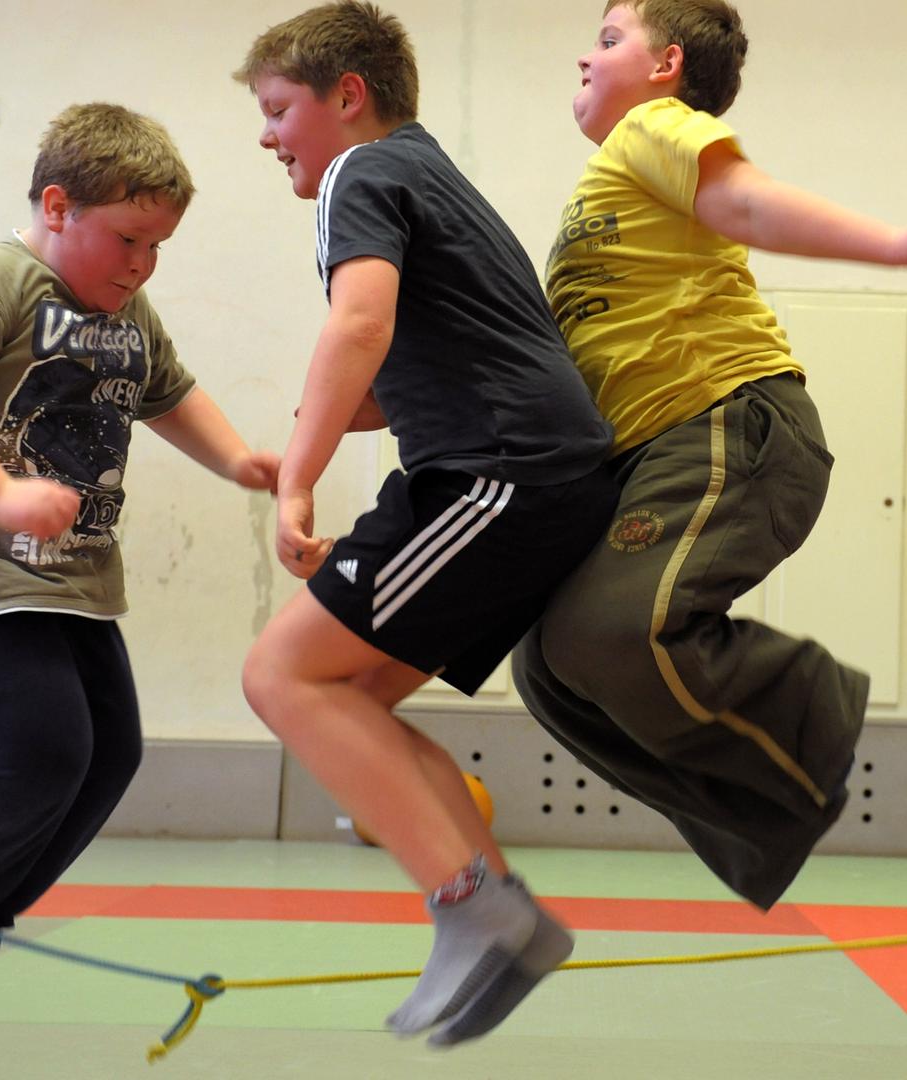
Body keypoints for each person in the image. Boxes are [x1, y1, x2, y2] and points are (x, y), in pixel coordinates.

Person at [510, 0, 907, 911]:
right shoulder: (608, 181)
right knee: (551, 665)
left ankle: (815, 711)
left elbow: (747, 202)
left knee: (613, 630)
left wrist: (894, 245)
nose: (584, 56)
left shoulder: (656, 127)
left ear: (666, 65)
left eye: (608, 40)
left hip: (732, 420)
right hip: (652, 452)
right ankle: (774, 811)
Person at [232, 2, 619, 1047]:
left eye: (278, 110)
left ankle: (475, 908)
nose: (268, 136)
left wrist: (301, 480)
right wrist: (304, 437)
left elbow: (361, 323)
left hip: (498, 477)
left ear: (345, 96)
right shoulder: (424, 169)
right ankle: (492, 913)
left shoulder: (364, 173)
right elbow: (403, 367)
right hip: (529, 474)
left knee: (279, 675)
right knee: (346, 694)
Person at [0, 103, 279, 1041]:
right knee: (38, 748)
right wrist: (1, 497)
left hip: (72, 573)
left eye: (158, 247)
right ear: (58, 205)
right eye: (128, 239)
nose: (141, 265)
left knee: (109, 754)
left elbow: (170, 396)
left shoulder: (126, 309)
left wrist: (243, 463)